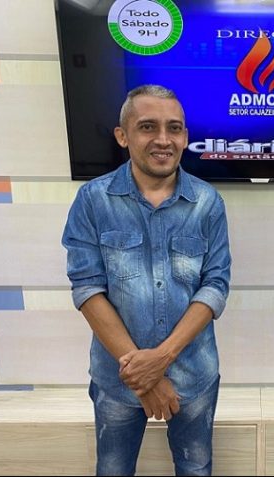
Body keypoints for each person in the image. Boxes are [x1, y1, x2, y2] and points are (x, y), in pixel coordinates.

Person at [62, 84, 232, 476]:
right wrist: (142, 375)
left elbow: (215, 285)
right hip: (117, 378)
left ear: (185, 137)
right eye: (147, 126)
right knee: (113, 470)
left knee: (196, 469)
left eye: (174, 128)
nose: (163, 139)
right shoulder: (93, 200)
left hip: (193, 373)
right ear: (122, 136)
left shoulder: (208, 202)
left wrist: (160, 359)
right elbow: (87, 287)